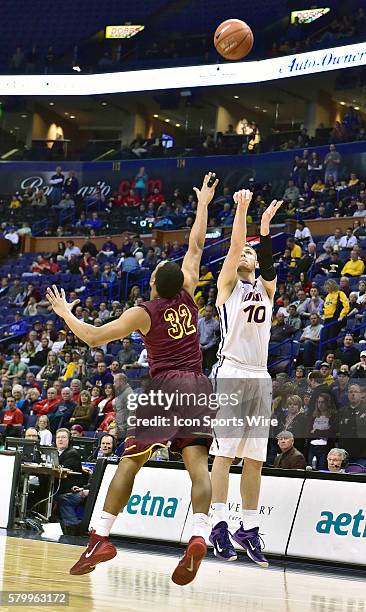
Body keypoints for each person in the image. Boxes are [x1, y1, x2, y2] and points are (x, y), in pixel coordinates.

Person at [46, 173, 219, 585]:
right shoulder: (189, 292)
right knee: (198, 464)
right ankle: (199, 534)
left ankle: (101, 536)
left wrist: (65, 312)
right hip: (199, 383)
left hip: (167, 387)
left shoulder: (145, 311)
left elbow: (91, 337)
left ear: (155, 283)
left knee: (130, 461)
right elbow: (196, 244)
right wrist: (203, 204)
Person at [209, 191, 282, 567]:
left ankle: (248, 529)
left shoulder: (266, 289)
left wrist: (265, 231)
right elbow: (238, 243)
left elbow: (267, 264)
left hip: (260, 376)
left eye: (250, 254)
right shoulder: (227, 286)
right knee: (223, 454)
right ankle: (219, 524)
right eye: (241, 253)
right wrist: (241, 210)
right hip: (232, 370)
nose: (244, 255)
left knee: (254, 459)